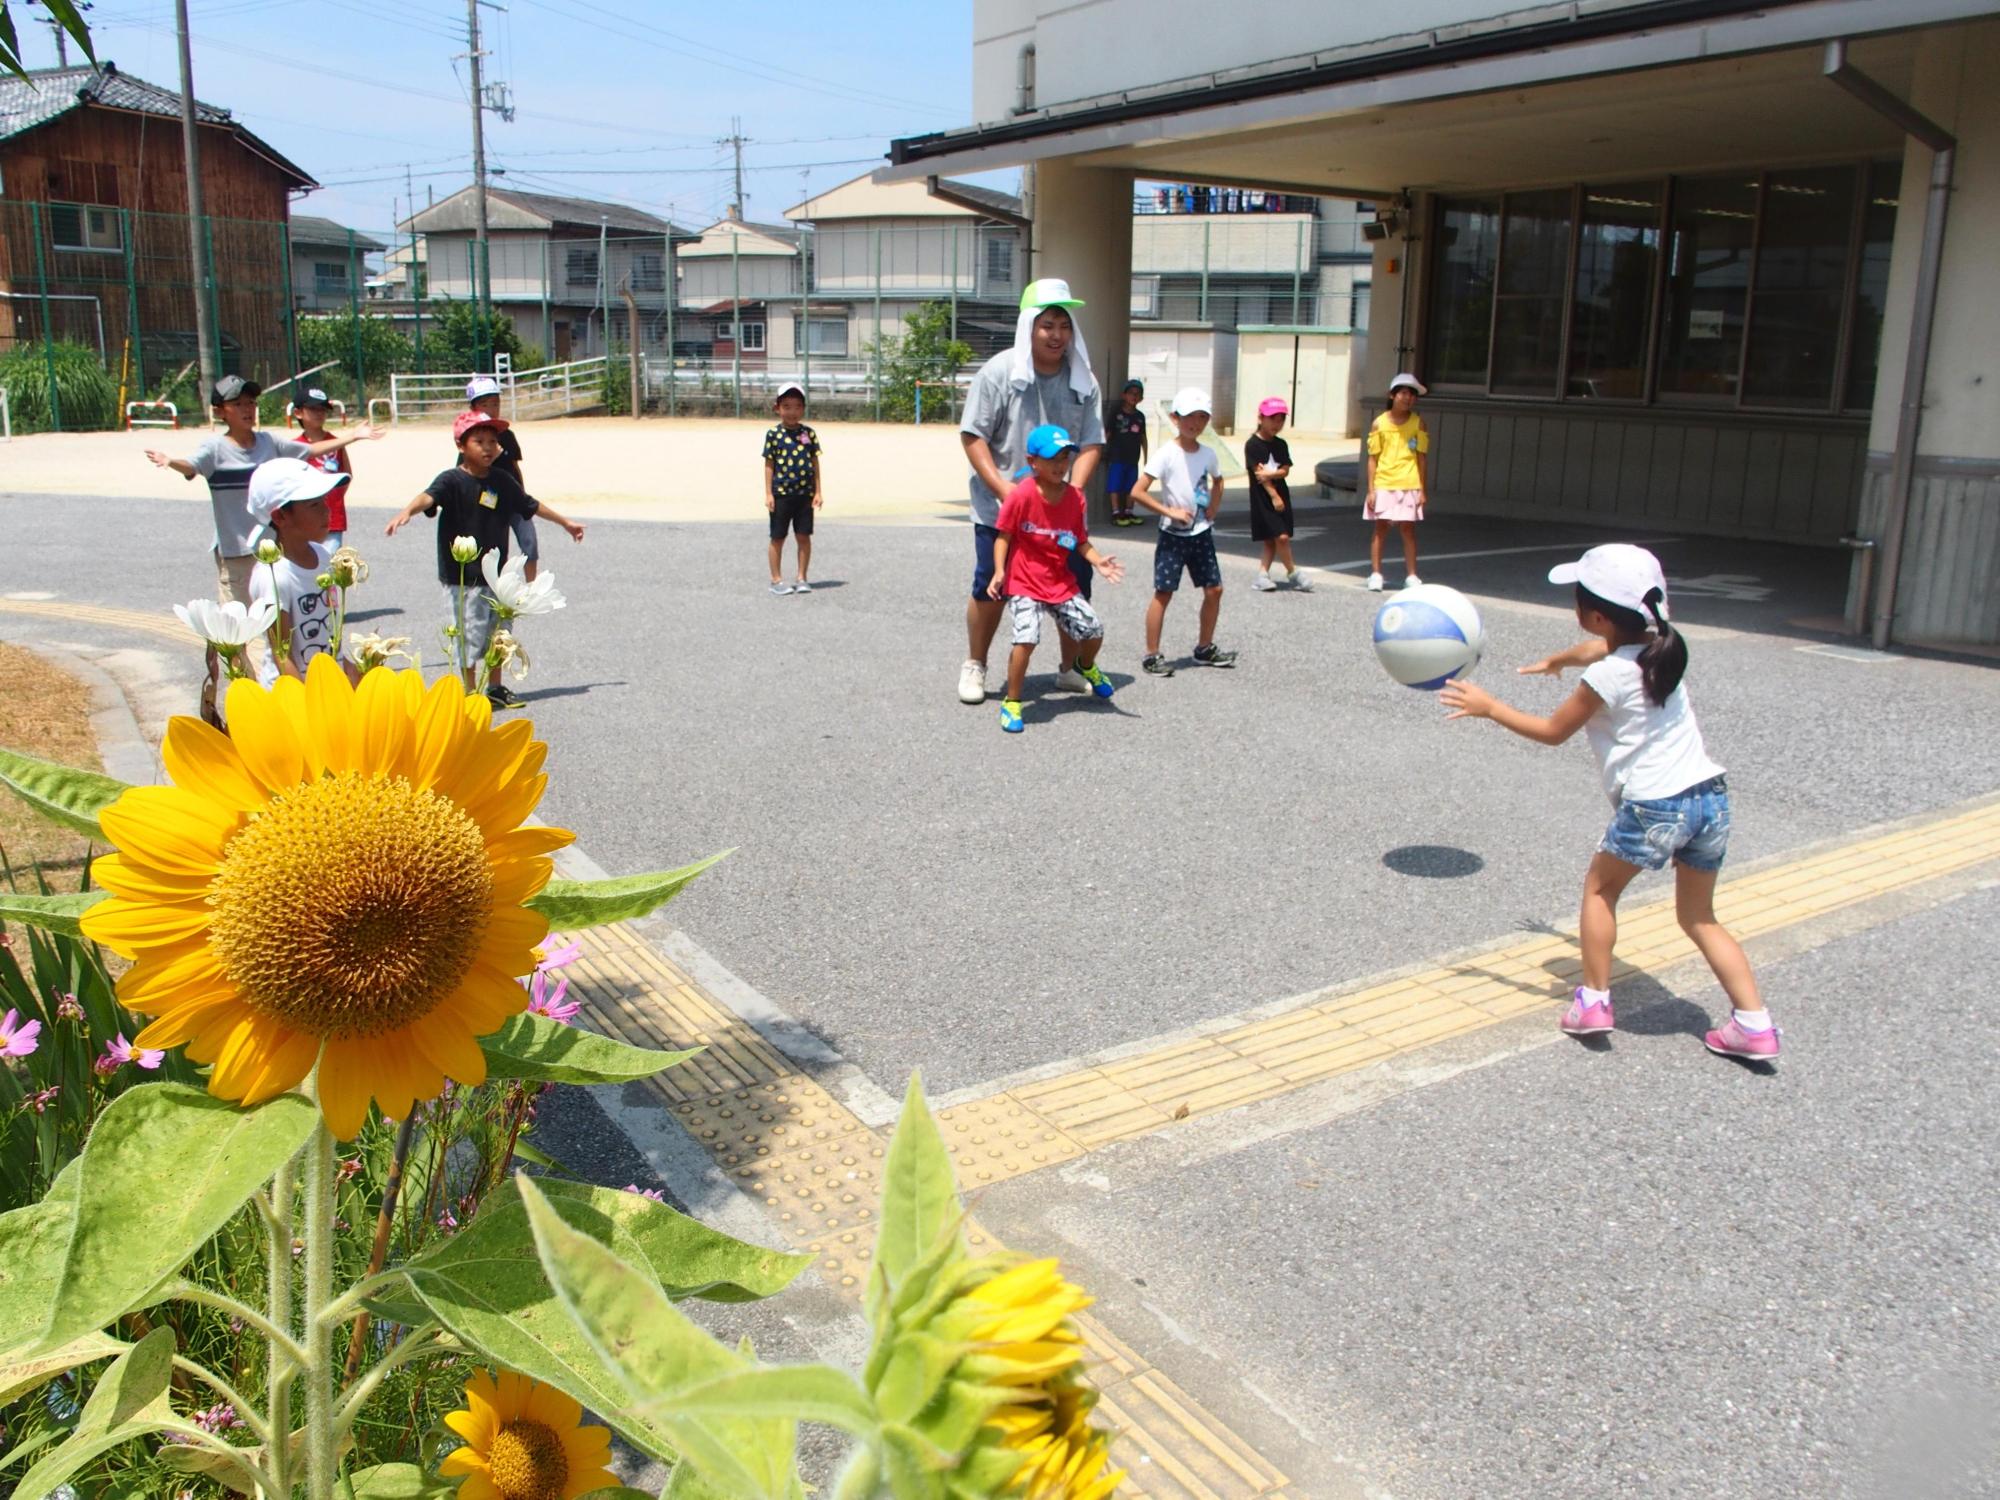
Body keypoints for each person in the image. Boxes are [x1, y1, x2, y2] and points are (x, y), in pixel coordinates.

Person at [1439, 544, 1778, 1062]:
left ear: (1595, 615)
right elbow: (1601, 650)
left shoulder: (1606, 677)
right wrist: (1560, 658)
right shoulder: (1665, 646)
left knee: (1600, 891)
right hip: (1709, 798)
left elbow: (1553, 731)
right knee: (1699, 916)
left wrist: (1491, 708)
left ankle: (1594, 1002)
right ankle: (1754, 1026)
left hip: (1654, 806)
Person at [145, 374, 381, 677]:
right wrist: (170, 461)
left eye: (252, 403)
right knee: (236, 637)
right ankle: (249, 699)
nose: (248, 409)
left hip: (276, 548)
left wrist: (352, 436)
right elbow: (191, 465)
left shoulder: (269, 443)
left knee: (289, 635)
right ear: (219, 411)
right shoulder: (214, 449)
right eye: (238, 404)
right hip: (236, 553)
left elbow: (311, 450)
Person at [957, 277, 1105, 705]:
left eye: (1064, 324)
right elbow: (973, 436)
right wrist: (1005, 489)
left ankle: (1069, 669)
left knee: (1073, 586)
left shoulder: (1084, 380)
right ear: (1028, 328)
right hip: (1002, 509)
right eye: (1047, 325)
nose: (1057, 334)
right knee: (992, 585)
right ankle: (976, 664)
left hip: (1061, 516)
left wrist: (1071, 495)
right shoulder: (1000, 372)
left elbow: (1093, 441)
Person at [384, 409, 586, 707]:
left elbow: (530, 505)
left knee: (499, 633)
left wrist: (565, 522)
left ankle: (494, 688)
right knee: (467, 634)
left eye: (493, 441)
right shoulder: (451, 480)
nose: (488, 447)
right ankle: (467, 691)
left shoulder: (502, 481)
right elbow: (428, 497)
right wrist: (406, 512)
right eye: (479, 441)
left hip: (497, 575)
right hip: (462, 577)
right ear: (461, 446)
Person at [985, 423, 1124, 733]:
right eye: (1053, 459)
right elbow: (1003, 536)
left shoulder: (1076, 498)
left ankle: (1084, 665)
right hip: (1024, 583)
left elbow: (1079, 540)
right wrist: (999, 570)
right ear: (1033, 461)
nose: (1061, 465)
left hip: (1060, 583)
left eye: (1065, 458)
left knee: (1093, 629)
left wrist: (1098, 561)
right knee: (1026, 639)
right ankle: (1012, 702)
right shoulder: (1022, 494)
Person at [1130, 387, 1236, 676]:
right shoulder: (1166, 454)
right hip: (1173, 536)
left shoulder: (1209, 453)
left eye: (1202, 417)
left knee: (1214, 589)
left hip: (1201, 532)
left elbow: (1219, 480)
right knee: (1163, 593)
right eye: (1190, 417)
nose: (1196, 424)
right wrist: (1169, 512)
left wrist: (1213, 506)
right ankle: (1152, 654)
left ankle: (1205, 648)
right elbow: (1137, 492)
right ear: (1175, 418)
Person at [244, 458, 348, 686]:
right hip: (292, 695)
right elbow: (282, 654)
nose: (326, 511)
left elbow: (330, 637)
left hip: (327, 688)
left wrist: (351, 671)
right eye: (314, 505)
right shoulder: (273, 575)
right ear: (280, 517)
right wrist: (304, 701)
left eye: (324, 501)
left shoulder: (322, 556)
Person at [466, 375, 537, 582]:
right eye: (485, 405)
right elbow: (464, 471)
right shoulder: (471, 439)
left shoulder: (507, 435)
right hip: (488, 500)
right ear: (473, 408)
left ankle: (532, 587)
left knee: (529, 543)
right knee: (493, 548)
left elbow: (515, 466)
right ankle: (492, 585)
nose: (491, 409)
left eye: (496, 404)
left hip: (514, 498)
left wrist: (522, 493)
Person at [1364, 372, 1430, 590]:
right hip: (1384, 481)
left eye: (1412, 394)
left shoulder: (1418, 424)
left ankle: (1411, 575)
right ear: (1392, 395)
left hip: (1409, 481)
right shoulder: (1378, 424)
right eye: (1403, 393)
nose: (1407, 398)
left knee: (1408, 529)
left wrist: (1422, 488)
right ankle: (1376, 574)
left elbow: (1421, 457)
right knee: (1380, 528)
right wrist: (1371, 489)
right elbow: (1372, 458)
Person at [1244, 396, 1310, 592]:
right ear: (1260, 418)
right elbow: (1259, 475)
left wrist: (1272, 474)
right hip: (1263, 497)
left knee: (1271, 539)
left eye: (1281, 419)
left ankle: (1262, 574)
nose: (1277, 423)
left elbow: (1285, 470)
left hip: (1281, 492)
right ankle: (1293, 572)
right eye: (1272, 418)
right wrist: (1273, 495)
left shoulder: (1280, 444)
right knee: (1280, 537)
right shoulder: (1253, 444)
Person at [762, 384, 823, 594]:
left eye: (797, 407)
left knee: (803, 536)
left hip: (804, 495)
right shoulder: (773, 434)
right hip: (781, 494)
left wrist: (818, 491)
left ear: (803, 409)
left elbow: (814, 462)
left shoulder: (809, 433)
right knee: (778, 537)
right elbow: (769, 465)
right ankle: (776, 580)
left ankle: (802, 577)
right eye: (787, 406)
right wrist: (769, 493)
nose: (792, 412)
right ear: (777, 408)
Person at [292, 387, 351, 550]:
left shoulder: (336, 442)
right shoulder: (294, 446)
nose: (319, 413)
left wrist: (334, 499)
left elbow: (347, 475)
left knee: (330, 568)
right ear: (298, 413)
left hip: (332, 520)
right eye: (313, 409)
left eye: (323, 409)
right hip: (302, 520)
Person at [1105, 379, 1147, 526]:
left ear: (1141, 398)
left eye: (1137, 394)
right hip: (1117, 456)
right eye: (1131, 393)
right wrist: (1102, 449)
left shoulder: (1140, 416)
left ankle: (1129, 511)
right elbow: (1108, 433)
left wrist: (1146, 457)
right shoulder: (1116, 414)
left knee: (1131, 486)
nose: (1134, 397)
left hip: (1133, 457)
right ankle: (1116, 512)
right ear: (1124, 395)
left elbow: (1143, 437)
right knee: (1115, 485)